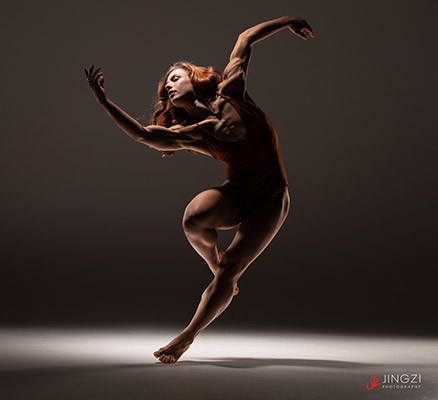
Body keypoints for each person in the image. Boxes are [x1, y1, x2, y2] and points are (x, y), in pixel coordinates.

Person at [84, 15, 314, 363]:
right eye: (165, 89)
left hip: (270, 198)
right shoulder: (195, 133)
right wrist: (105, 102)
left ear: (195, 76)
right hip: (238, 192)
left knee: (232, 268)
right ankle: (217, 268)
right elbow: (142, 135)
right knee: (194, 217)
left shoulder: (232, 91)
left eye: (175, 78)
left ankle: (187, 335)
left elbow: (245, 38)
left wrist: (291, 21)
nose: (169, 88)